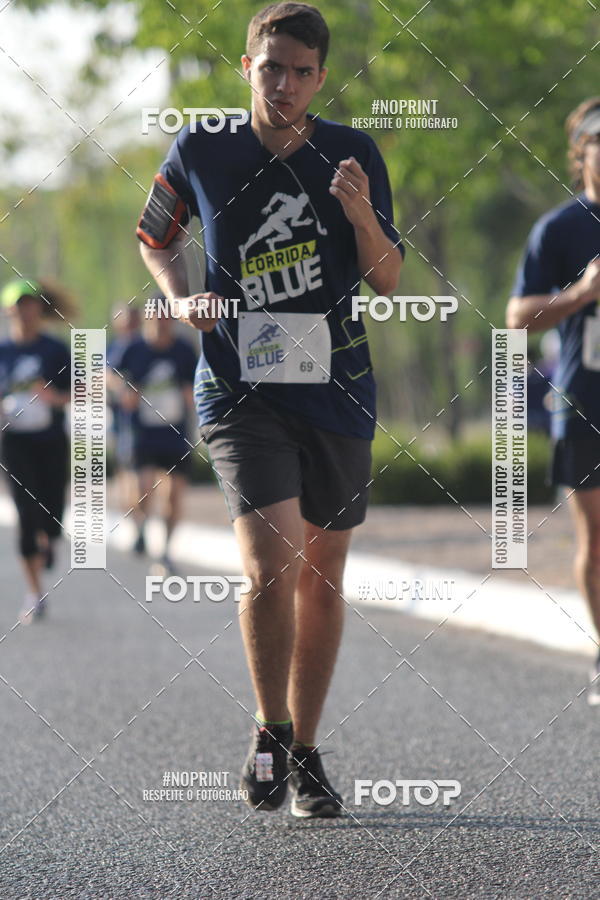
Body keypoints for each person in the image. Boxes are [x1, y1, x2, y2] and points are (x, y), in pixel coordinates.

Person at [136, 2, 404, 816]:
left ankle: (309, 750)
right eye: (270, 66)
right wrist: (181, 298)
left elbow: (387, 279)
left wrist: (358, 210)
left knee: (322, 579)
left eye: (300, 71)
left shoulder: (353, 151)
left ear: (320, 78)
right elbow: (154, 235)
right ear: (245, 66)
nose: (282, 83)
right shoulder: (201, 146)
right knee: (269, 569)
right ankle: (270, 727)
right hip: (238, 388)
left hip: (337, 387)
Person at [506, 96, 600, 707]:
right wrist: (581, 292)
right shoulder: (561, 229)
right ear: (582, 153)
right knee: (598, 537)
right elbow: (517, 317)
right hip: (587, 401)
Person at [0, 278, 72, 623]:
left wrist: (52, 397)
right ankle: (35, 593)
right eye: (18, 305)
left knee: (53, 514)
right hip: (14, 442)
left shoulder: (55, 351)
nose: (24, 311)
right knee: (25, 516)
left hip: (51, 440)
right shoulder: (2, 351)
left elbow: (81, 392)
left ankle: (50, 536)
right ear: (8, 310)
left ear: (39, 309)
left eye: (30, 305)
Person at [117, 302, 197, 573]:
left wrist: (192, 395)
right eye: (156, 316)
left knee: (174, 494)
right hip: (143, 433)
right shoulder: (133, 348)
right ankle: (140, 525)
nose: (162, 321)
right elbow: (107, 373)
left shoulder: (184, 350)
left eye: (167, 316)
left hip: (175, 432)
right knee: (142, 489)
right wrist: (124, 389)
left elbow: (196, 382)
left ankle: (165, 550)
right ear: (148, 317)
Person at [106, 303, 142, 512]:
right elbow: (103, 376)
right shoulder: (113, 348)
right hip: (122, 418)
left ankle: (139, 511)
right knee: (127, 467)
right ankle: (131, 512)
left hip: (148, 418)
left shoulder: (146, 345)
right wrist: (120, 387)